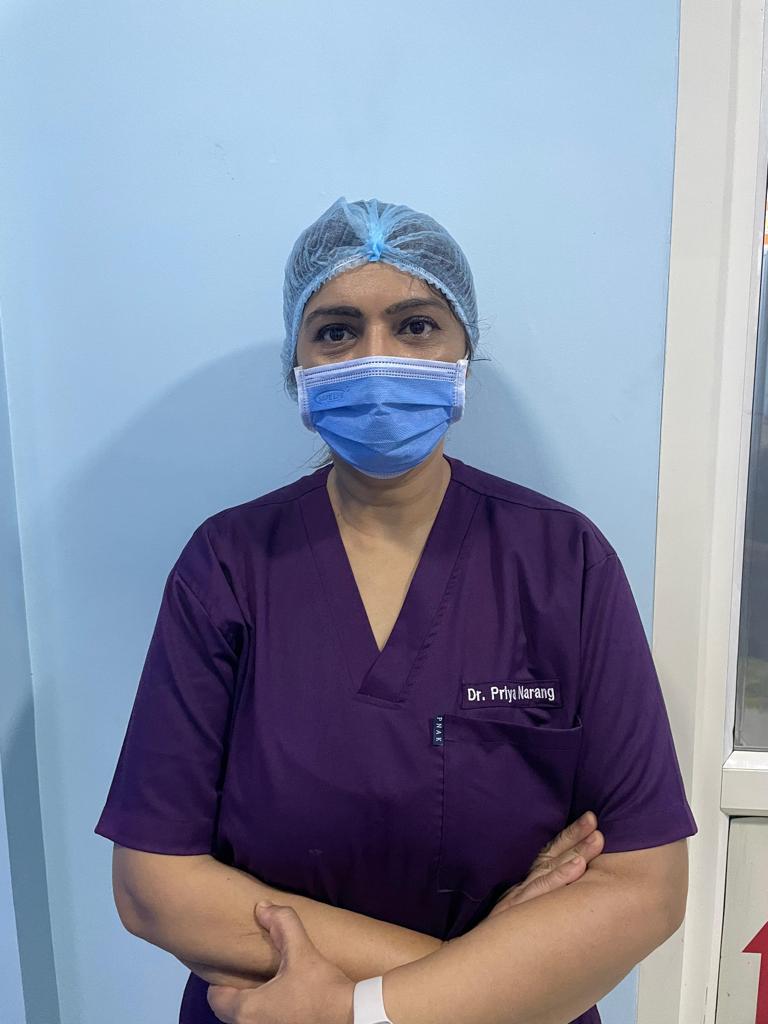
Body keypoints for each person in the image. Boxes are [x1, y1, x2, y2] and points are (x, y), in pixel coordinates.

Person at [94, 196, 698, 1024]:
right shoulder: (227, 567)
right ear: (297, 363)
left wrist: (359, 1012)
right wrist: (486, 977)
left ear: (463, 351)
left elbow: (645, 888)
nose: (376, 359)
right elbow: (155, 884)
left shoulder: (565, 564)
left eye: (416, 326)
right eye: (337, 331)